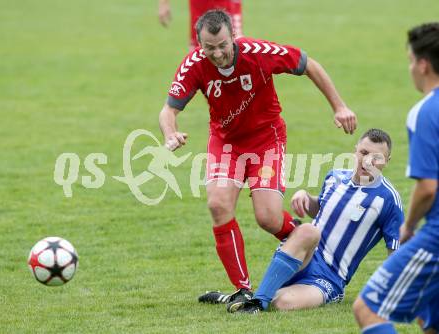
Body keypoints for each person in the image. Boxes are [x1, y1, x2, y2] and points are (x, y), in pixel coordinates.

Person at [159, 9, 357, 309]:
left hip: (266, 140)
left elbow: (308, 64)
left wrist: (339, 107)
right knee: (217, 204)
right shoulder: (195, 63)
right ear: (199, 43)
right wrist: (170, 134)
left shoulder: (258, 53)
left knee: (268, 218)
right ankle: (243, 289)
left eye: (222, 45)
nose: (217, 53)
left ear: (233, 37)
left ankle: (306, 241)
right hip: (226, 142)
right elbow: (168, 110)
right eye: (209, 47)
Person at [228, 129, 404, 313]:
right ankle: (257, 303)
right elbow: (322, 208)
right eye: (364, 153)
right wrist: (305, 196)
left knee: (283, 303)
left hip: (328, 277)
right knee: (308, 231)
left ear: (387, 160)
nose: (368, 162)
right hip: (303, 254)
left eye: (377, 158)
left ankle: (252, 297)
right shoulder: (334, 177)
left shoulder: (388, 199)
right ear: (355, 150)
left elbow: (396, 251)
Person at [353, 23, 439, 334]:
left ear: (423, 64)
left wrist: (409, 225)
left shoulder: (426, 112)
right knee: (431, 323)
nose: (410, 68)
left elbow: (428, 188)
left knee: (368, 308)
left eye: (410, 60)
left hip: (435, 239)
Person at [158, 0, 243, 50]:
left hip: (227, 5)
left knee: (232, 47)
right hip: (201, 5)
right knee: (200, 52)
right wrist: (163, 3)